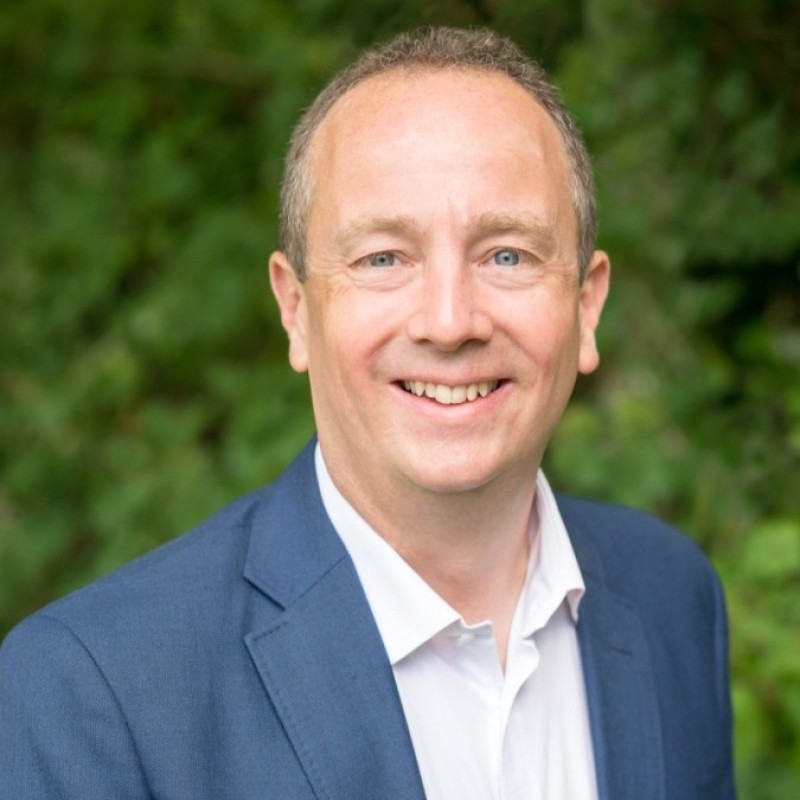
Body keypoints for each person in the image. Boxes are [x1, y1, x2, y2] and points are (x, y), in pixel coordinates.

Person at [0, 26, 735, 800]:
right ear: (295, 309)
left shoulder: (671, 596)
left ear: (586, 307)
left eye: (507, 255)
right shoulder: (93, 692)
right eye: (383, 257)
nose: (449, 322)